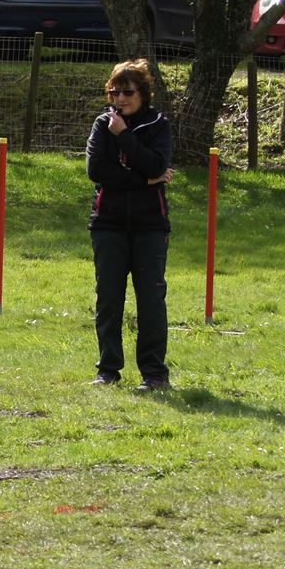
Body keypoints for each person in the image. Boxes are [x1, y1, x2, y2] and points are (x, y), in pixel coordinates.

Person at [86, 58, 175, 391]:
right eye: (114, 92)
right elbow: (97, 171)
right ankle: (108, 370)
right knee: (109, 298)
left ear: (143, 94)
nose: (119, 99)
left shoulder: (159, 126)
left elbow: (156, 163)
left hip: (150, 225)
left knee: (151, 300)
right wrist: (144, 181)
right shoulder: (101, 124)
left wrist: (124, 137)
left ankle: (154, 374)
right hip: (107, 224)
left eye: (127, 92)